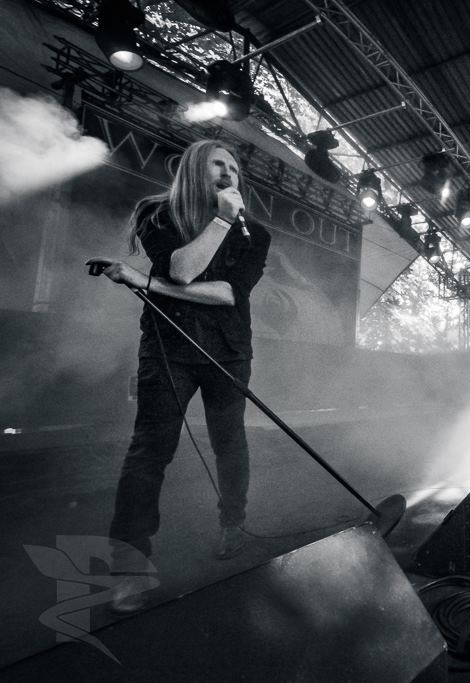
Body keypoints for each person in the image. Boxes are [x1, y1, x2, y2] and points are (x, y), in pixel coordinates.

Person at [91, 140, 270, 613]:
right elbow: (184, 271)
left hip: (229, 351)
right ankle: (129, 567)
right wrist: (220, 221)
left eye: (234, 167)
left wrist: (145, 282)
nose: (228, 173)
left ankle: (232, 523)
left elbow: (229, 294)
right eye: (218, 164)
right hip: (168, 346)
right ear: (194, 169)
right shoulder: (157, 214)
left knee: (230, 443)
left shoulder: (255, 234)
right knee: (150, 451)